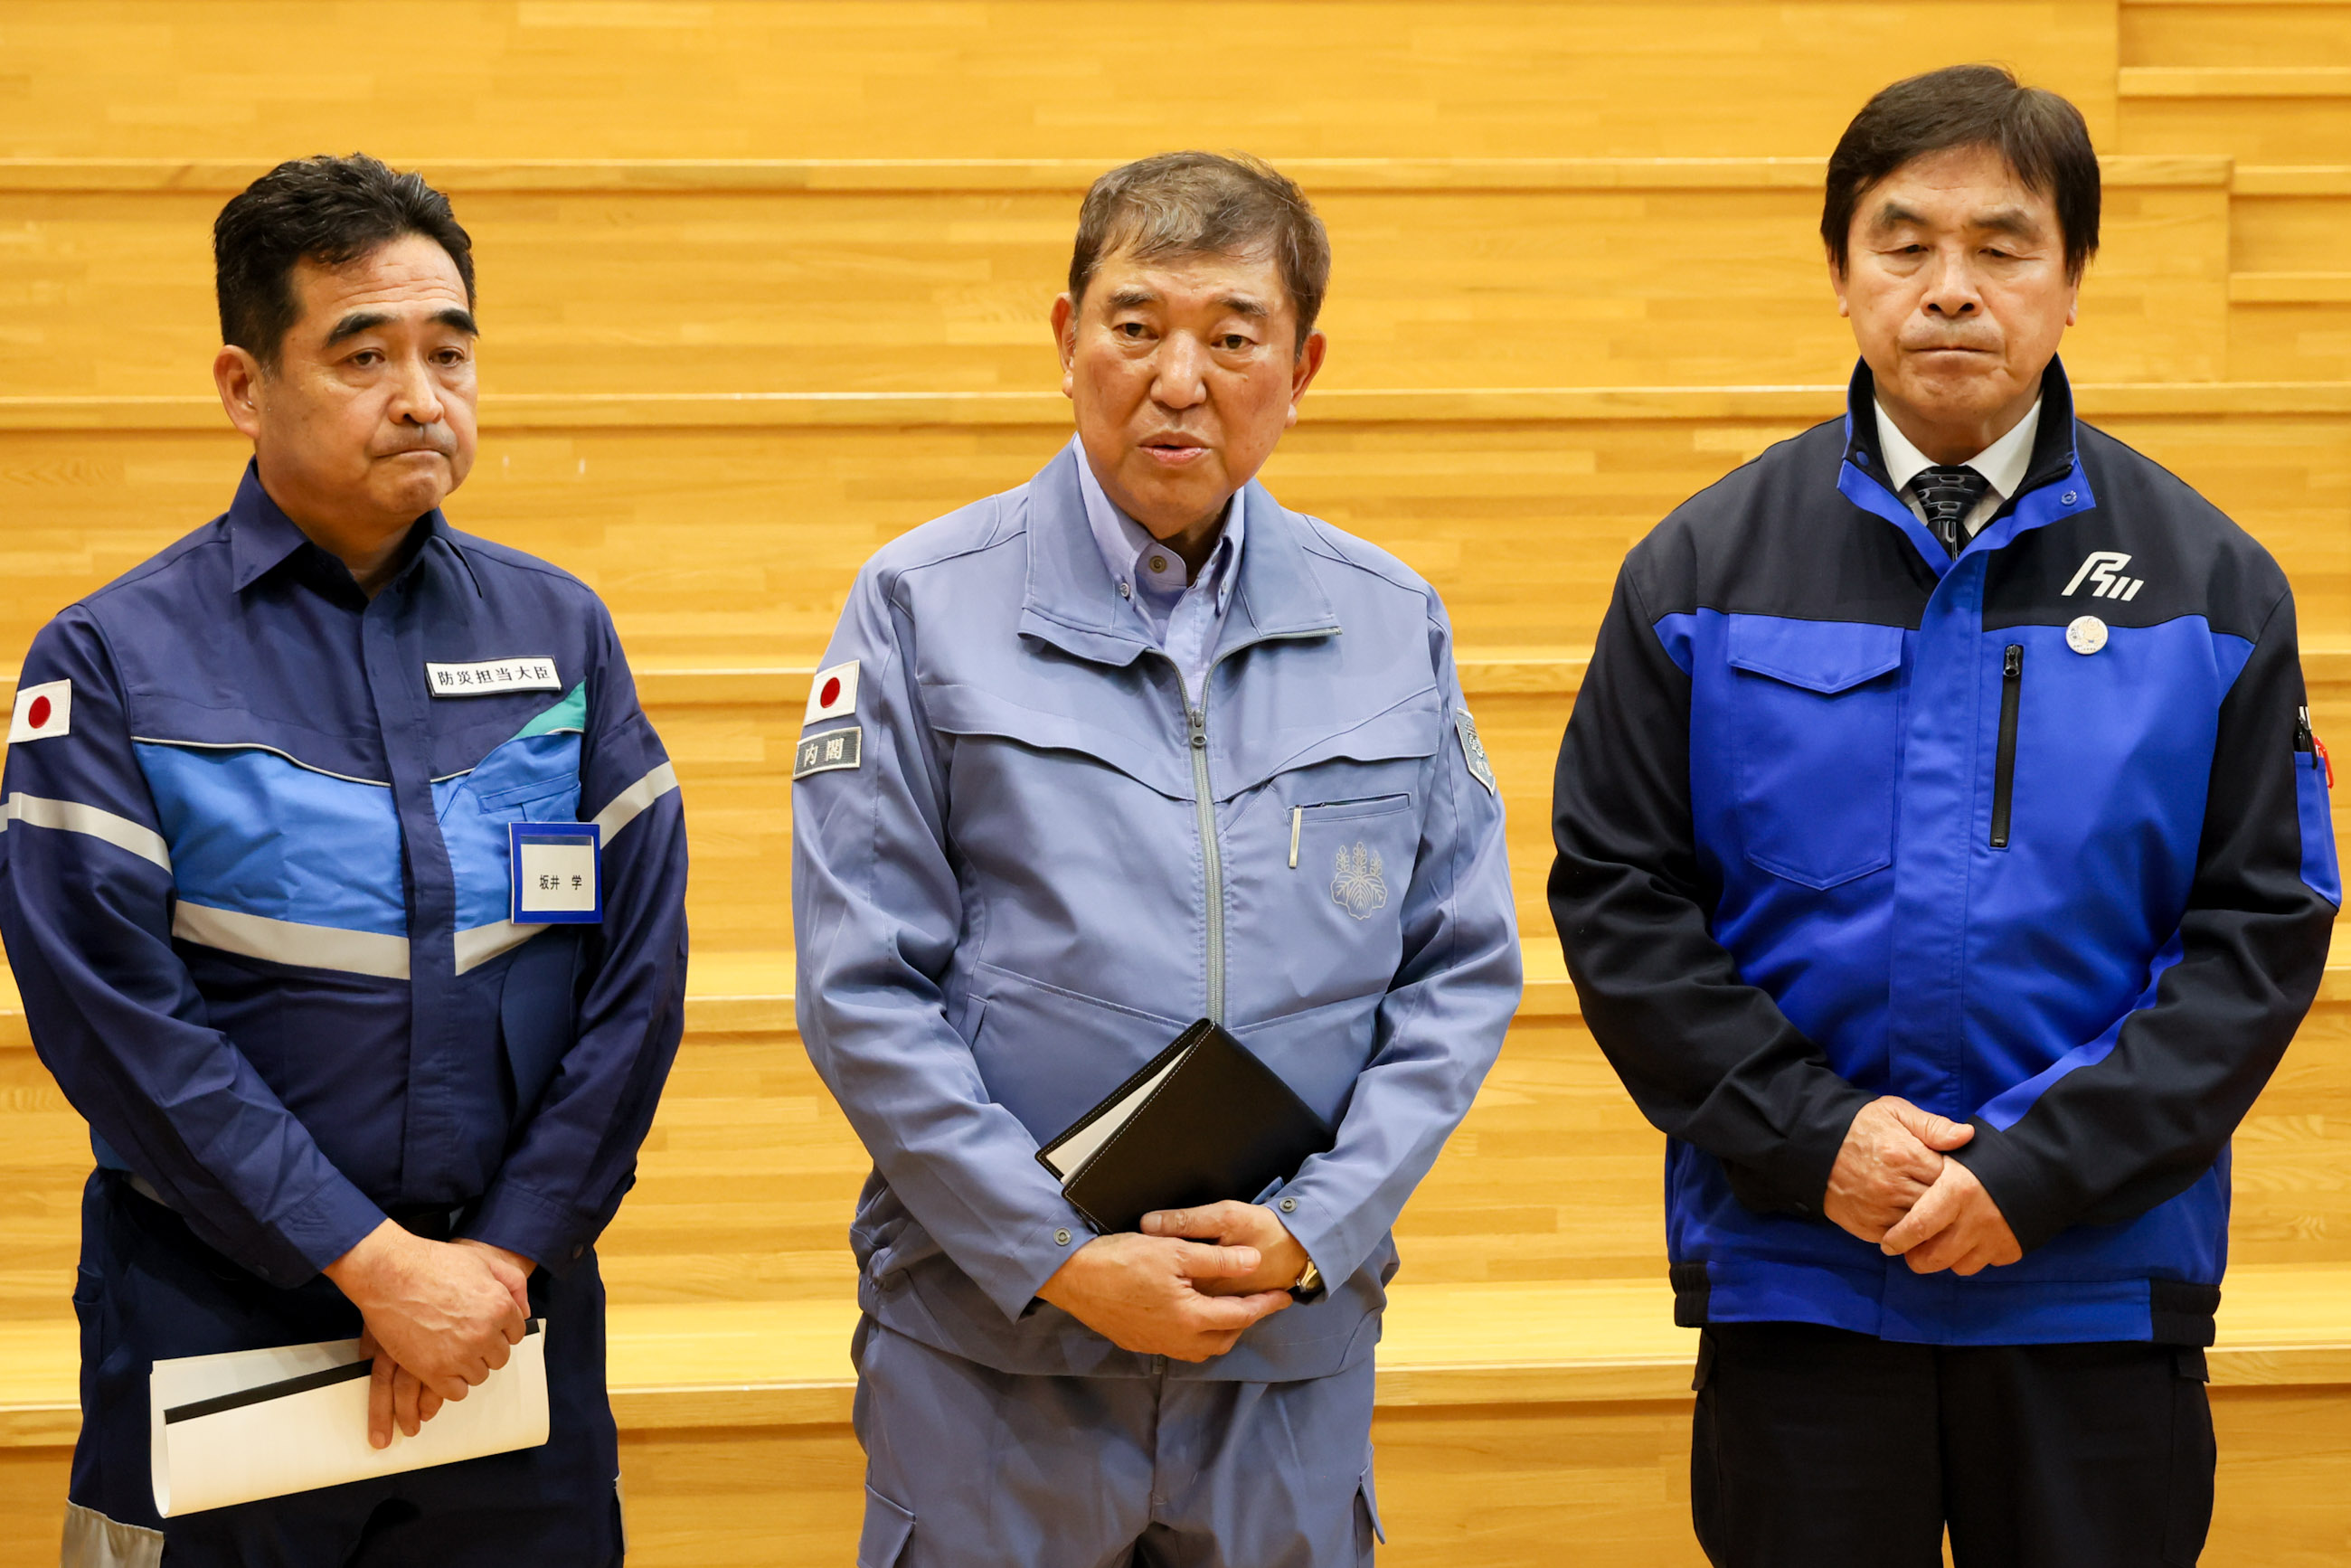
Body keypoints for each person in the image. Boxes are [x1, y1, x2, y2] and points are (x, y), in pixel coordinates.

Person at [1549, 65, 2338, 1567]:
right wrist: (1818, 1138)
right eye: (1904, 245)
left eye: (2003, 246)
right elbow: (1621, 900)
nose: (1951, 291)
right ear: (1842, 274)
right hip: (1803, 1271)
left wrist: (2036, 1174)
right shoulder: (1698, 569)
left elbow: (2259, 929)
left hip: (2098, 1288)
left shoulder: (2213, 581)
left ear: (2073, 280)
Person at [793, 151, 1520, 1567]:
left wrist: (1316, 1228)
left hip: (1281, 1349)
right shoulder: (918, 605)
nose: (1179, 377)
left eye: (1232, 335)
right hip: (995, 1348)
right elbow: (862, 988)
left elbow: (1459, 971)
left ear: (1300, 365)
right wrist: (1057, 1257)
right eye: (1137, 326)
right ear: (1065, 337)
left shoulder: (1390, 620)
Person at [0, 155, 688, 1566]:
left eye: (450, 351)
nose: (423, 397)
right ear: (244, 387)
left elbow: (639, 973)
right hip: (214, 1315)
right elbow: (116, 1019)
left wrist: (491, 1265)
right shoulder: (111, 659)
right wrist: (375, 1268)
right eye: (363, 354)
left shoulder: (563, 634)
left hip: (510, 1323)